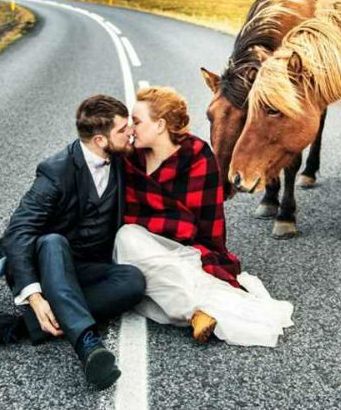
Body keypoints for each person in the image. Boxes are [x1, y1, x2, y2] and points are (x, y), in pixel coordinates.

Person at [0, 95, 146, 391]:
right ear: (100, 139)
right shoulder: (55, 171)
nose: (132, 133)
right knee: (51, 241)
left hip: (86, 265)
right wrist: (35, 297)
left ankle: (18, 326)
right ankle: (88, 345)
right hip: (47, 263)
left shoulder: (121, 159)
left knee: (133, 281)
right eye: (124, 128)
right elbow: (18, 232)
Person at [115, 85, 293, 347]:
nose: (130, 129)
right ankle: (195, 312)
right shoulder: (132, 159)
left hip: (189, 247)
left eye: (137, 121)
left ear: (160, 125)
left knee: (130, 243)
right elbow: (124, 210)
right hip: (146, 245)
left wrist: (166, 234)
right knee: (127, 238)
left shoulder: (197, 156)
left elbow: (200, 224)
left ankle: (189, 309)